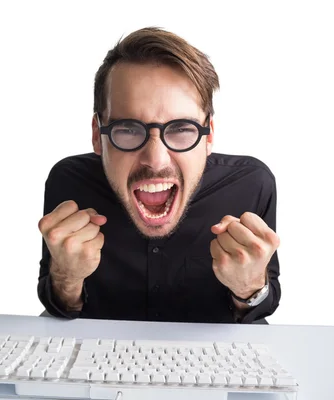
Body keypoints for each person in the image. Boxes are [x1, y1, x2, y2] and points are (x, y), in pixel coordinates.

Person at [37, 27, 281, 324]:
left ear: (209, 135)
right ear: (96, 134)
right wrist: (67, 277)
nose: (155, 160)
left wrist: (249, 286)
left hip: (214, 365)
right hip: (95, 363)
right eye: (127, 129)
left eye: (181, 129)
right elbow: (57, 304)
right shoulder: (70, 182)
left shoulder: (250, 184)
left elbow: (262, 308)